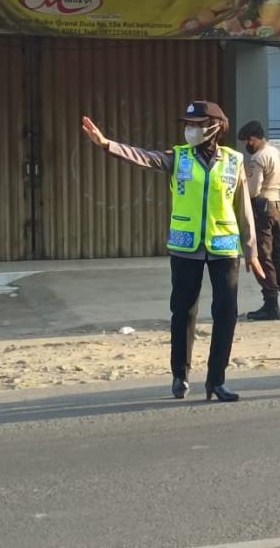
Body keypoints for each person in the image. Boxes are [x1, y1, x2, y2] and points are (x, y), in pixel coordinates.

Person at [81, 102, 263, 402]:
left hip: (224, 246)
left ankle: (216, 381)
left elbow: (243, 207)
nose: (190, 129)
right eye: (188, 124)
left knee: (226, 313)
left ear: (215, 126)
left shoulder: (234, 160)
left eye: (197, 124)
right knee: (183, 312)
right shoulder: (178, 157)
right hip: (185, 246)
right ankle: (180, 375)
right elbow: (143, 157)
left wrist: (252, 250)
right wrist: (106, 144)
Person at [237, 120, 280, 321]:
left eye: (247, 141)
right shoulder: (279, 153)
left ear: (252, 139)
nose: (247, 145)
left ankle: (271, 304)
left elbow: (253, 189)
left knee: (263, 256)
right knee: (276, 256)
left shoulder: (259, 157)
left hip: (263, 208)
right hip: (279, 206)